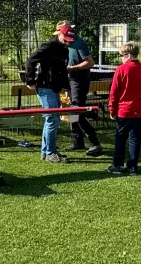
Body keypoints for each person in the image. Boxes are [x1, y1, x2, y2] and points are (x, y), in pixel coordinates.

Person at [25, 24, 73, 164]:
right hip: (45, 87)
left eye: (70, 40)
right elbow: (30, 60)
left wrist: (66, 88)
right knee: (53, 119)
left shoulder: (64, 49)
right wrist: (30, 80)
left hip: (55, 88)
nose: (68, 41)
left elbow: (63, 70)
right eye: (66, 38)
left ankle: (46, 152)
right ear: (59, 34)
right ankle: (50, 152)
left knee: (51, 119)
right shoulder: (48, 47)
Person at [106, 41, 141, 176]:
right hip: (140, 110)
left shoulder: (121, 70)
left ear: (127, 55)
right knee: (135, 139)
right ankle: (133, 167)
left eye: (121, 55)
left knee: (120, 138)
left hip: (124, 110)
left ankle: (118, 165)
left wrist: (112, 110)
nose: (121, 58)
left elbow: (114, 92)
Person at [58, 21, 103, 156]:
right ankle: (78, 141)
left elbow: (90, 62)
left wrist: (73, 68)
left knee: (76, 109)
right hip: (68, 80)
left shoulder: (79, 43)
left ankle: (94, 142)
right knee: (68, 108)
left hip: (79, 80)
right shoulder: (62, 44)